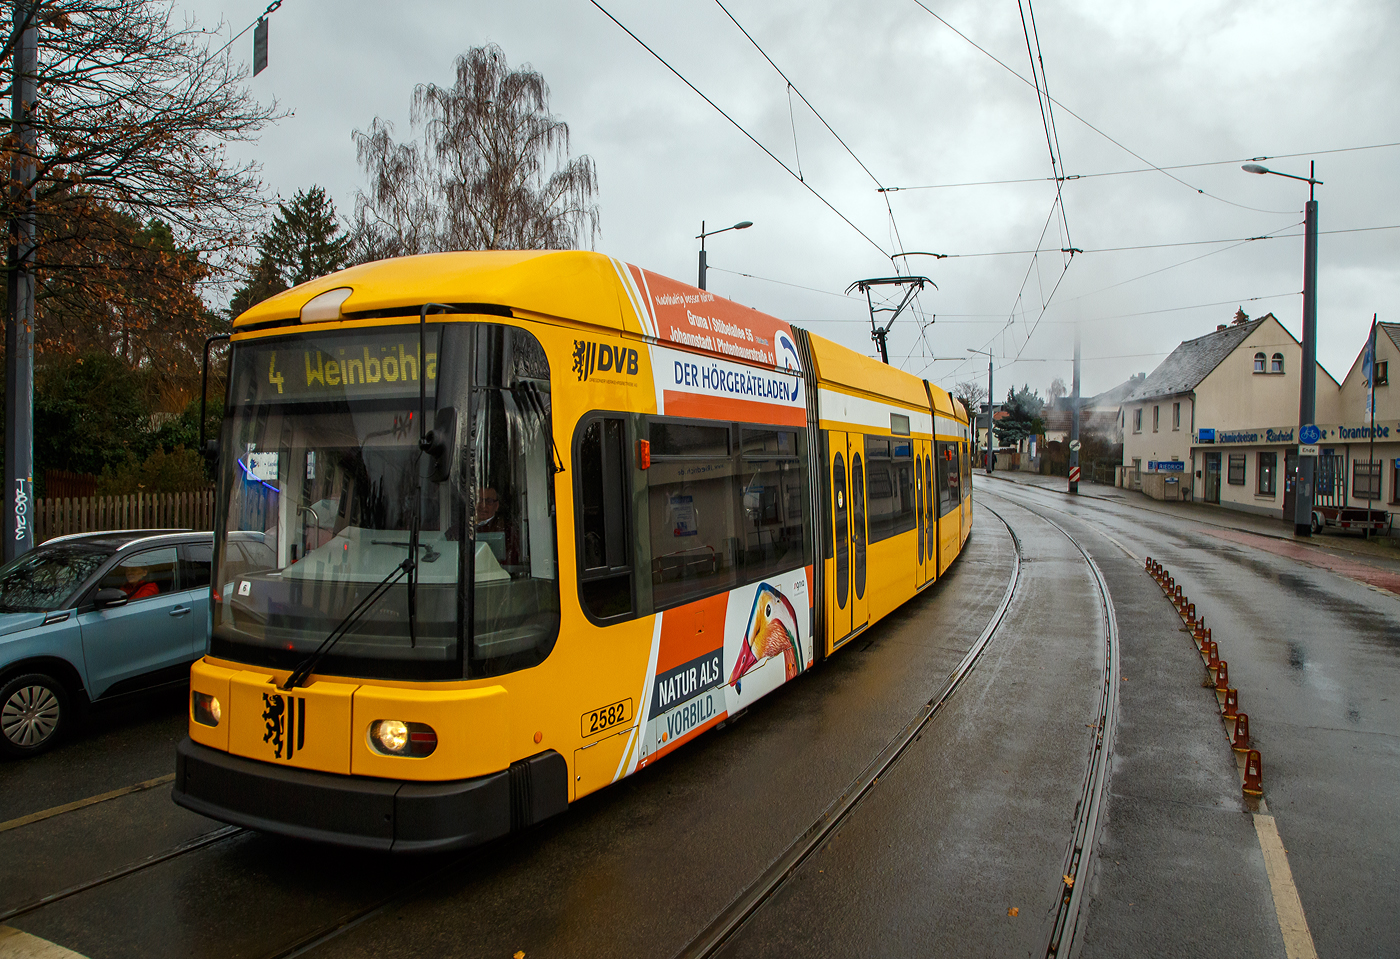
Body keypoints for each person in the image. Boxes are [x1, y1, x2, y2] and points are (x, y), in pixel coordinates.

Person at [475, 486, 521, 565]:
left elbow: (510, 562)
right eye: (479, 500)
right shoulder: (461, 529)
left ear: (496, 506)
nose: (483, 505)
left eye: (488, 501)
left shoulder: (506, 530)